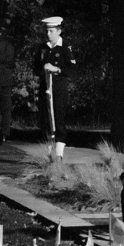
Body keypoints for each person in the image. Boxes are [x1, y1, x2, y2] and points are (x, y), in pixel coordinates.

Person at [35, 16, 77, 160]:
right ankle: (48, 154)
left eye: (51, 31)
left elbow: (72, 69)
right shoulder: (42, 47)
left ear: (59, 31)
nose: (48, 34)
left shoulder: (65, 47)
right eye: (47, 31)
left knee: (59, 118)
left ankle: (59, 154)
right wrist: (44, 69)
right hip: (45, 87)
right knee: (46, 120)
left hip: (59, 88)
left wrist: (57, 69)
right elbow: (35, 67)